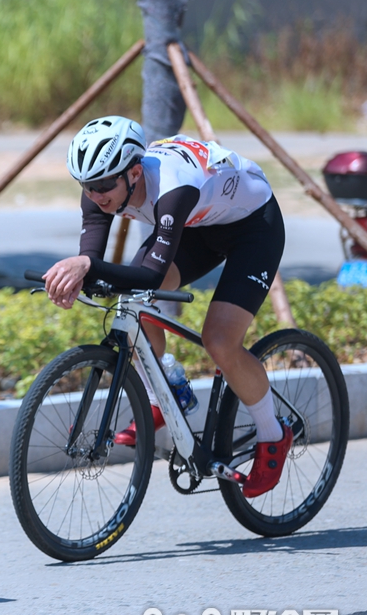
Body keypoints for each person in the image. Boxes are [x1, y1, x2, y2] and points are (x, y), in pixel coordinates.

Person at [42, 115, 290, 498]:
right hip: (197, 227)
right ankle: (165, 396)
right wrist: (77, 274)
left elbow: (152, 276)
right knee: (134, 303)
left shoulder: (173, 189)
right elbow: (92, 258)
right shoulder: (100, 185)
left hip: (252, 227)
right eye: (87, 186)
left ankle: (273, 436)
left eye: (104, 185)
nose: (95, 194)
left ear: (135, 173)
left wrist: (87, 268)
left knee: (219, 341)